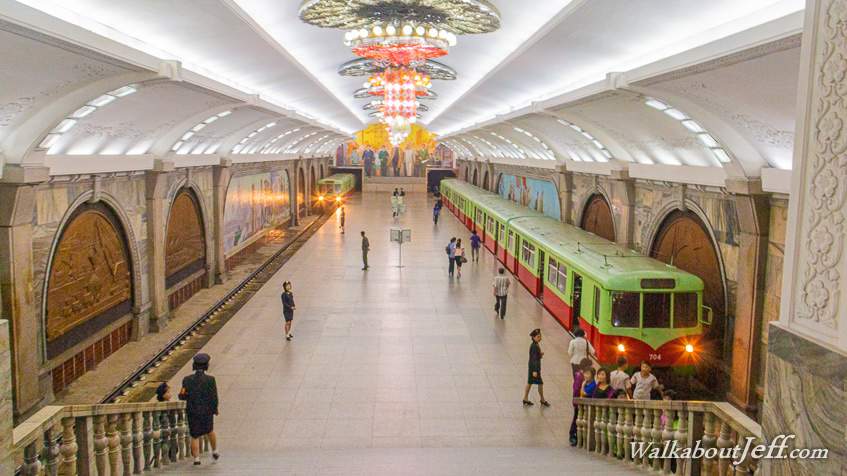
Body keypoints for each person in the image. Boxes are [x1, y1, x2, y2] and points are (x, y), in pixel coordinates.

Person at [179, 353, 219, 465]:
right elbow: (214, 396)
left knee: (195, 435)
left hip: (193, 411)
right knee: (210, 431)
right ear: (206, 365)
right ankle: (215, 451)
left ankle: (196, 459)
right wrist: (215, 409)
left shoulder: (187, 380)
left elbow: (182, 395)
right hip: (207, 411)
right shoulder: (210, 380)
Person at [523, 329, 550, 406]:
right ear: (533, 337)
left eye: (540, 337)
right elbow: (533, 359)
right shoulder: (534, 346)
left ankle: (525, 398)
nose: (540, 338)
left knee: (530, 382)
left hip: (533, 367)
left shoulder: (535, 345)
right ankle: (542, 399)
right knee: (540, 383)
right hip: (534, 368)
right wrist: (534, 371)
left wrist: (540, 354)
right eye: (538, 337)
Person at [570, 358, 593, 446]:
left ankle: (574, 434)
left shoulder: (579, 375)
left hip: (577, 400)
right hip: (579, 401)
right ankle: (573, 434)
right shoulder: (581, 377)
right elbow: (577, 389)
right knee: (577, 417)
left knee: (577, 417)